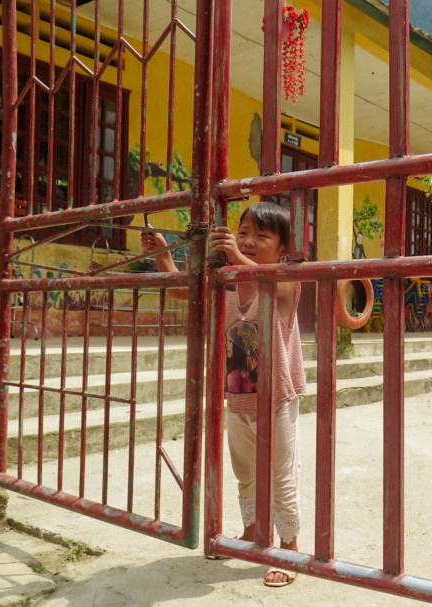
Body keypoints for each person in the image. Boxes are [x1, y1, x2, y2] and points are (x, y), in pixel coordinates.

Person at [141, 201, 306, 588]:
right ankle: (250, 533)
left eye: (261, 236)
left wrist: (235, 257)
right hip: (238, 397)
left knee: (281, 476)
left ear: (283, 249)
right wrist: (162, 252)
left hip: (277, 399)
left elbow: (275, 284)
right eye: (243, 233)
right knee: (245, 472)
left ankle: (289, 549)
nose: (248, 241)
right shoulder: (226, 284)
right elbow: (182, 291)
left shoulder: (285, 282)